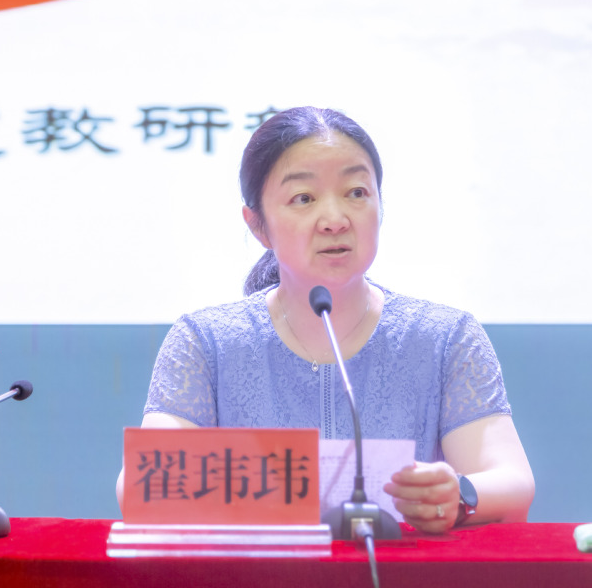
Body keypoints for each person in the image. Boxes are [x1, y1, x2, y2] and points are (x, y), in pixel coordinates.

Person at [116, 106, 534, 533]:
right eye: (304, 198)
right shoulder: (206, 342)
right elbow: (140, 486)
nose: (335, 220)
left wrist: (458, 492)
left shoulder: (444, 338)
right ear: (258, 225)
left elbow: (513, 481)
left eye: (357, 192)